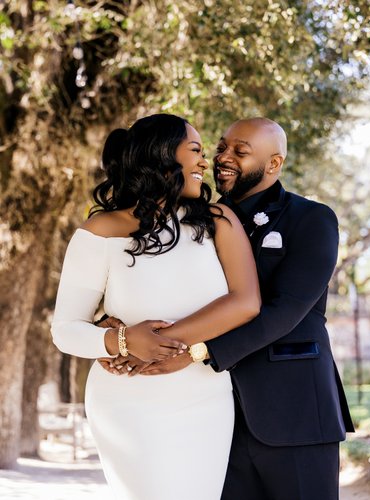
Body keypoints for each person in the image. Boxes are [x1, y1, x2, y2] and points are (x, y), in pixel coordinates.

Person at [104, 117, 355, 500]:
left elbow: (286, 310)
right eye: (221, 147)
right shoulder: (192, 223)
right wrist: (114, 324)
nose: (223, 157)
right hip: (211, 417)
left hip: (294, 411)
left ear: (274, 164)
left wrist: (195, 352)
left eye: (241, 151)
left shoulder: (313, 219)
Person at [51, 113, 261, 500]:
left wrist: (156, 342)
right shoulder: (100, 231)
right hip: (127, 401)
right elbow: (65, 330)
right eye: (195, 150)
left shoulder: (218, 220)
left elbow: (245, 302)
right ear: (162, 155)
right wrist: (121, 341)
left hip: (204, 398)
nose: (204, 163)